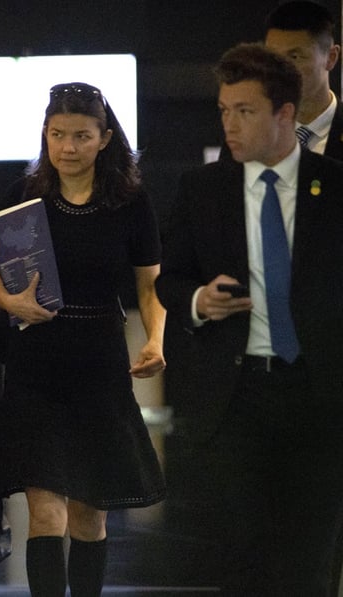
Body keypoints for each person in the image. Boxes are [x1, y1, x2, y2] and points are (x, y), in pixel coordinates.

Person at [156, 43, 343, 596]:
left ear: (285, 114)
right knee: (239, 563)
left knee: (307, 562)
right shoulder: (202, 188)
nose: (230, 124)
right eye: (223, 110)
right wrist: (197, 301)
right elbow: (170, 276)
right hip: (232, 400)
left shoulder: (333, 188)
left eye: (245, 111)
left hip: (318, 399)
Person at [0, 82, 166, 597]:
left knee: (88, 514)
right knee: (45, 511)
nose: (67, 147)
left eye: (81, 136)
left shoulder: (129, 201)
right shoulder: (25, 195)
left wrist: (155, 340)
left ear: (104, 138)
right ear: (45, 134)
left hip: (99, 363)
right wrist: (12, 303)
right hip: (36, 362)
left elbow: (151, 287)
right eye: (57, 134)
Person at [265, 1, 343, 159]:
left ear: (331, 57)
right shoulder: (251, 135)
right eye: (272, 57)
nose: (280, 69)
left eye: (294, 57)